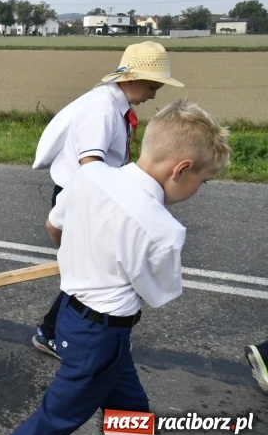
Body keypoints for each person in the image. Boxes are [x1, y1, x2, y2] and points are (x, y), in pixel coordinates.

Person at [0, 100, 231, 435]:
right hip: (101, 336)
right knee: (55, 419)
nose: (198, 189)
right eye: (202, 180)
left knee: (130, 408)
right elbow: (156, 294)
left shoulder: (90, 175)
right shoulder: (163, 231)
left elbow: (54, 224)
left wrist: (83, 255)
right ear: (181, 169)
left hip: (73, 318)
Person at [30, 41, 184, 359]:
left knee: (92, 270)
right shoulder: (101, 110)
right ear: (132, 78)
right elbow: (91, 171)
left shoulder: (113, 105)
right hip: (83, 196)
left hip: (94, 194)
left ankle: (58, 331)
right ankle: (51, 333)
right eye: (153, 86)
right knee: (92, 271)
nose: (154, 95)